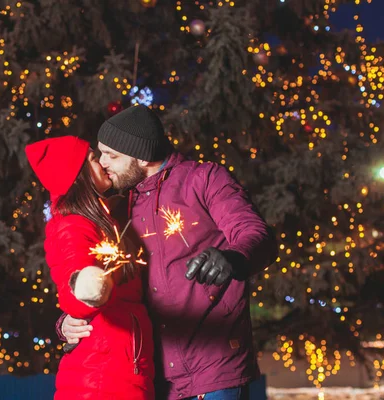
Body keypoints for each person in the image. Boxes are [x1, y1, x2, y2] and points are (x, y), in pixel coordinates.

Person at [59, 105, 278, 400]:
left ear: (140, 155)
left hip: (213, 371)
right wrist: (67, 321)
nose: (103, 163)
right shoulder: (120, 210)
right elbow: (97, 280)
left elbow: (255, 234)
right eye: (101, 153)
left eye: (112, 155)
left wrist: (233, 258)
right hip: (155, 378)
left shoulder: (203, 180)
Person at [25, 135, 155, 400]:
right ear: (80, 175)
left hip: (114, 370)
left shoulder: (102, 218)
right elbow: (76, 285)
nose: (104, 164)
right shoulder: (75, 225)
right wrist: (88, 286)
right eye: (95, 160)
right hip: (102, 377)